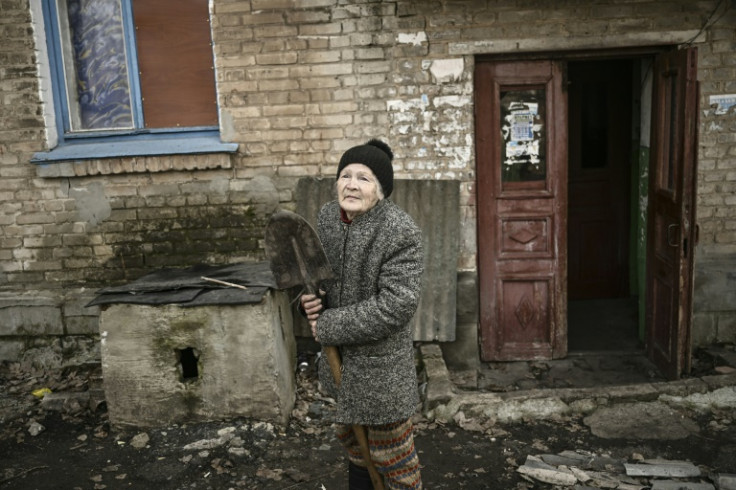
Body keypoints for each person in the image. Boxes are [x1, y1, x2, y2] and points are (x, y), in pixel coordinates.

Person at [300, 139, 424, 489]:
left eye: (364, 178)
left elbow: (396, 305)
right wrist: (310, 298)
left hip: (381, 373)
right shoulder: (327, 218)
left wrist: (327, 324)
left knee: (394, 461)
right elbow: (314, 275)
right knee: (355, 449)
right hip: (341, 365)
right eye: (345, 175)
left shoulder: (400, 232)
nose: (352, 184)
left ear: (382, 191)